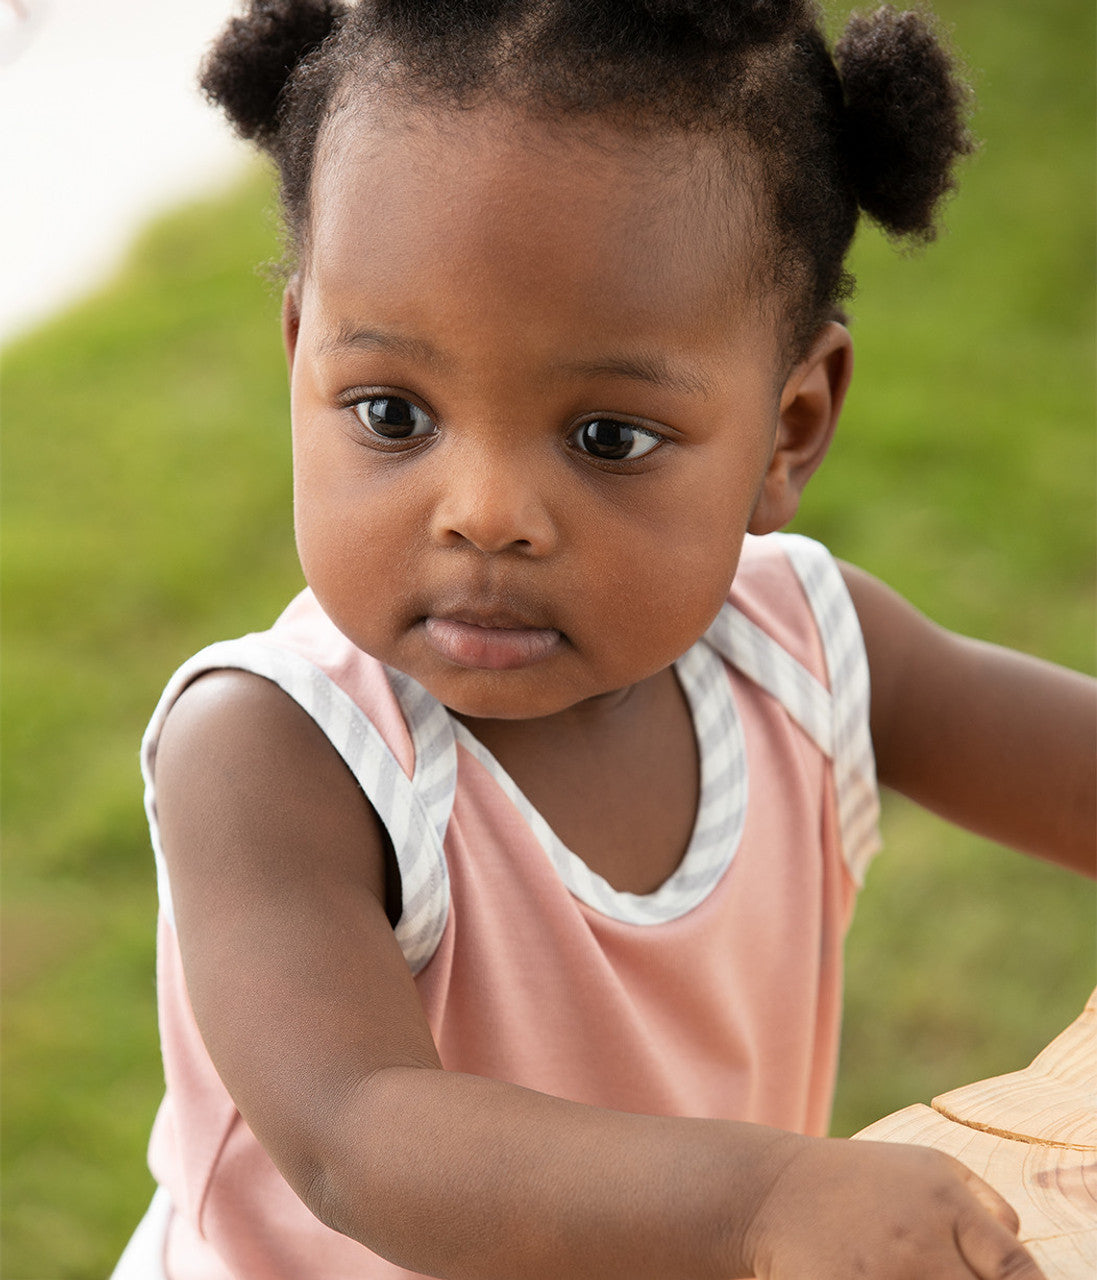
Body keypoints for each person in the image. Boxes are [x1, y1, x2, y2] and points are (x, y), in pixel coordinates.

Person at [112, 1, 1096, 1277]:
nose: (484, 514)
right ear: (301, 354)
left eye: (605, 437)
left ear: (787, 428)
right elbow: (356, 1134)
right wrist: (761, 1199)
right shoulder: (276, 748)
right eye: (391, 410)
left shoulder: (806, 644)